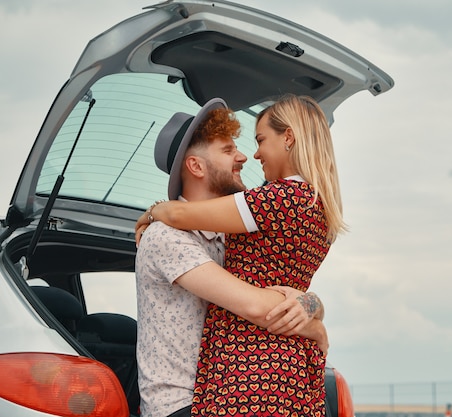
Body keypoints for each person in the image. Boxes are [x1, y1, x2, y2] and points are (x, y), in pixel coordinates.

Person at [136, 94, 345, 417]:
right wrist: (315, 328)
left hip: (239, 386)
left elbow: (276, 285)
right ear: (195, 165)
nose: (246, 156)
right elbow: (257, 305)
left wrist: (312, 306)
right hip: (185, 404)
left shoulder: (236, 233)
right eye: (228, 149)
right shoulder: (167, 236)